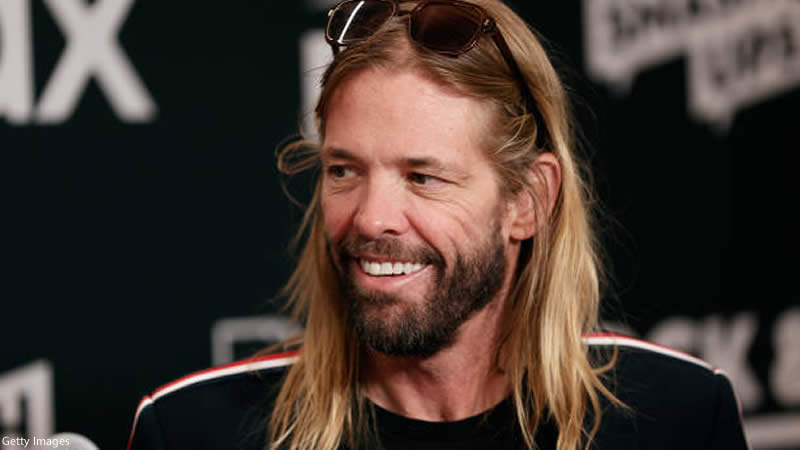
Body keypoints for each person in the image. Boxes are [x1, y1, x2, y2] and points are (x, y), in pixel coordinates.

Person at [127, 1, 750, 449]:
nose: (371, 216)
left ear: (528, 200)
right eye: (344, 170)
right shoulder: (191, 430)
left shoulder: (681, 416)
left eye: (423, 177)